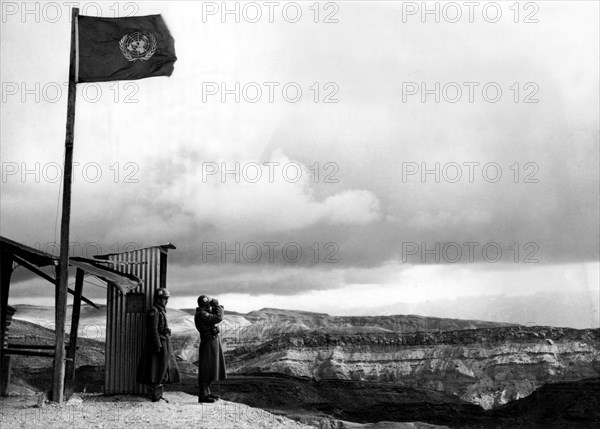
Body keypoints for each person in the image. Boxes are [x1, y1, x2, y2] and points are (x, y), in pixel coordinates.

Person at [136, 287, 181, 402]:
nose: (166, 301)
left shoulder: (160, 311)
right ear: (159, 299)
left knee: (162, 369)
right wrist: (157, 345)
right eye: (164, 299)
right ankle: (155, 395)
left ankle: (158, 394)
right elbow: (153, 330)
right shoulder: (154, 311)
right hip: (159, 343)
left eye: (166, 299)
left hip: (163, 341)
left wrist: (166, 330)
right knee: (156, 370)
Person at [195, 295, 227, 403]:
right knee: (206, 368)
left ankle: (207, 393)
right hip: (208, 342)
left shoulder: (203, 313)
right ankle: (203, 396)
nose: (210, 306)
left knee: (210, 368)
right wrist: (217, 306)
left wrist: (214, 307)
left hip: (210, 342)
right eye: (209, 304)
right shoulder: (202, 314)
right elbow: (218, 317)